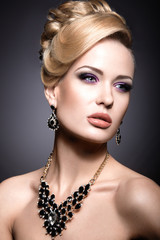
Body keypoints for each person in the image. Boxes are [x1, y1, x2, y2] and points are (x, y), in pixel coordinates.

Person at [0, 0, 160, 239]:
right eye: (89, 77)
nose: (107, 98)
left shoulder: (138, 197)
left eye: (121, 86)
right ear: (53, 89)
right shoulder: (10, 197)